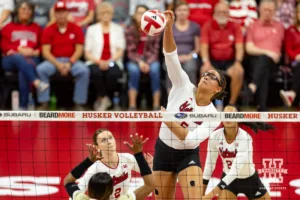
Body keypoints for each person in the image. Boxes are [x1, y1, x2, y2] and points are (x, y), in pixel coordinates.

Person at [153, 10, 227, 200]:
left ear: (217, 89)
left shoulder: (213, 115)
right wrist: (168, 28)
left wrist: (168, 120)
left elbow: (190, 141)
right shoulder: (182, 84)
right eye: (206, 74)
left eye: (212, 77)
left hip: (187, 155)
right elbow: (170, 55)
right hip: (163, 150)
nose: (206, 76)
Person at [202, 105, 273, 200]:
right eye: (225, 115)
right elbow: (209, 165)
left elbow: (235, 171)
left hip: (250, 180)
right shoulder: (215, 137)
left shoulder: (245, 138)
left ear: (238, 118)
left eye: (231, 115)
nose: (227, 117)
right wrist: (201, 193)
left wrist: (210, 195)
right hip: (229, 182)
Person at [64, 133, 156, 200]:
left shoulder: (127, 158)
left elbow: (68, 182)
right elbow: (150, 184)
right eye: (104, 140)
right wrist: (139, 154)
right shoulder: (94, 169)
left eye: (110, 137)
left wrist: (150, 168)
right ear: (97, 146)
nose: (109, 142)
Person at [37, 1, 89, 111]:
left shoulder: (75, 28)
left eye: (63, 12)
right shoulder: (48, 29)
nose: (60, 15)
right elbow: (46, 52)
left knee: (84, 70)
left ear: (67, 13)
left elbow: (79, 49)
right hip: (54, 61)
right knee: (41, 69)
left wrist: (70, 63)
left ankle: (79, 103)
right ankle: (44, 102)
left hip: (72, 60)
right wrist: (58, 64)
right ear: (54, 14)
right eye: (58, 12)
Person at [1, 1, 48, 110]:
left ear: (32, 12)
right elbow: (4, 45)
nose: (25, 11)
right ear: (17, 11)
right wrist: (18, 50)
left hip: (31, 57)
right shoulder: (8, 27)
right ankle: (36, 82)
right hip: (11, 59)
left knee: (24, 70)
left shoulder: (37, 28)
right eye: (23, 9)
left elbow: (42, 45)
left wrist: (36, 51)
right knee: (19, 58)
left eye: (28, 9)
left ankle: (23, 108)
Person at [201, 2, 244, 106]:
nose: (222, 14)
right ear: (214, 13)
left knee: (239, 71)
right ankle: (206, 105)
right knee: (204, 71)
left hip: (230, 61)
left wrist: (238, 62)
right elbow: (204, 46)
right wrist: (206, 62)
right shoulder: (207, 25)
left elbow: (239, 47)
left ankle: (231, 104)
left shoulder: (235, 26)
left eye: (224, 12)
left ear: (228, 13)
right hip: (213, 61)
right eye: (219, 12)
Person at [85, 2, 125, 111]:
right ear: (98, 15)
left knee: (113, 73)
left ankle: (104, 99)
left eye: (108, 13)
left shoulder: (118, 29)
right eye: (103, 13)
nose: (106, 15)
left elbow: (120, 50)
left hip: (113, 61)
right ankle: (105, 99)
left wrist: (109, 61)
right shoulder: (91, 29)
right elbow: (87, 52)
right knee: (96, 72)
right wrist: (99, 62)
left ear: (112, 14)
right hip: (95, 61)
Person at [245, 0, 284, 111]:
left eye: (270, 10)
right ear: (259, 10)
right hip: (254, 61)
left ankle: (252, 87)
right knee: (263, 63)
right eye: (265, 9)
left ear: (275, 12)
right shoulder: (252, 26)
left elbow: (275, 50)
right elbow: (249, 48)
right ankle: (262, 106)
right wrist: (267, 52)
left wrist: (268, 54)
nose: (267, 12)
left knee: (264, 62)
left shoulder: (279, 27)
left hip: (273, 63)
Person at [125, 5, 161, 111]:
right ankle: (132, 105)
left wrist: (148, 63)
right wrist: (140, 62)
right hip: (135, 60)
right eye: (139, 13)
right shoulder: (130, 30)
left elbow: (156, 50)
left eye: (144, 13)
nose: (141, 16)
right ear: (135, 15)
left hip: (151, 60)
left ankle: (156, 105)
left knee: (155, 69)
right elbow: (130, 51)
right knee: (133, 70)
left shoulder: (155, 30)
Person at [165, 1, 200, 92]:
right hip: (173, 56)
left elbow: (197, 49)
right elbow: (164, 46)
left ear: (188, 12)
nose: (182, 12)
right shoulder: (169, 26)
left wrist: (189, 56)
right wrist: (174, 57)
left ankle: (191, 98)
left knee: (190, 67)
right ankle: (172, 100)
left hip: (190, 56)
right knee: (172, 68)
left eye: (185, 10)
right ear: (175, 11)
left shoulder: (195, 27)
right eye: (179, 10)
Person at [280, 3, 300, 107]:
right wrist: (297, 56)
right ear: (296, 14)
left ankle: (292, 94)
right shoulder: (290, 30)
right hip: (295, 62)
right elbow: (288, 50)